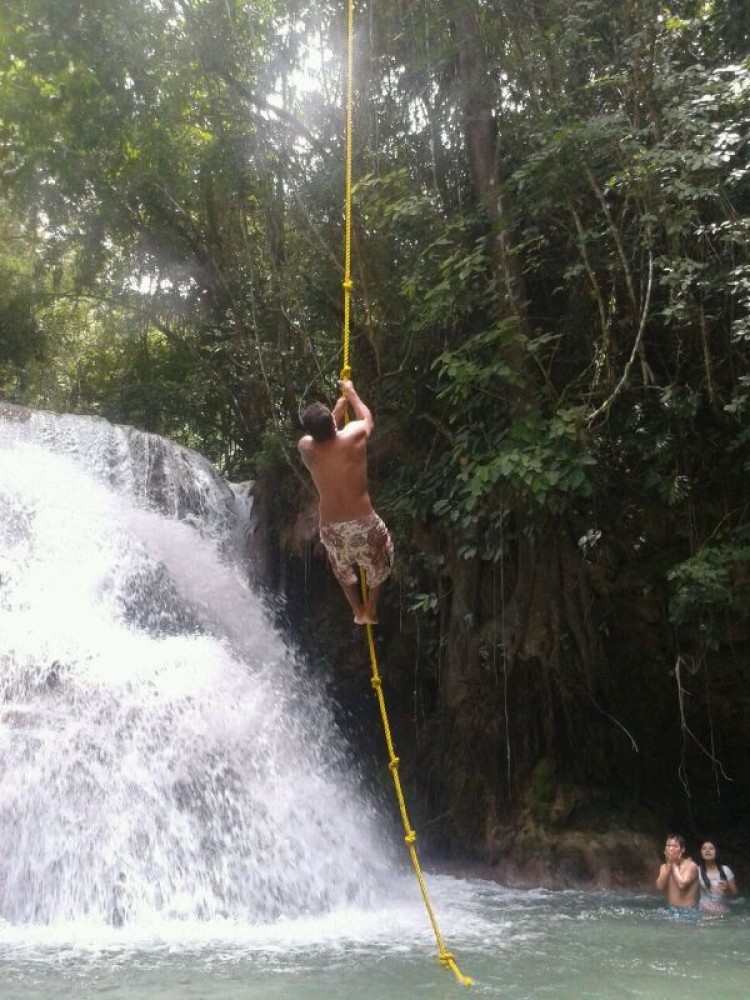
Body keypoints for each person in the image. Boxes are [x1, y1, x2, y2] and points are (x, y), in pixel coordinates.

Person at [298, 379, 394, 625]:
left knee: (341, 567)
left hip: (331, 528)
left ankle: (356, 610)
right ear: (333, 423)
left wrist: (338, 406)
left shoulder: (307, 448)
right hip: (363, 523)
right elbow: (367, 418)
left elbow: (323, 430)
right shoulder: (354, 435)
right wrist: (351, 393)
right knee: (382, 557)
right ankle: (369, 610)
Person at [655, 833, 699, 915]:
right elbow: (659, 887)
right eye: (668, 846)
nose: (670, 849)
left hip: (688, 912)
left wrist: (674, 865)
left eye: (675, 846)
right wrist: (669, 866)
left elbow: (682, 884)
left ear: (682, 850)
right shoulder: (664, 867)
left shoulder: (691, 866)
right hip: (670, 911)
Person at [697, 840, 738, 914]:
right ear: (701, 853)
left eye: (711, 848)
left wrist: (727, 889)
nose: (707, 850)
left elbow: (734, 896)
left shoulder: (726, 870)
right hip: (704, 912)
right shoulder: (696, 871)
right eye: (704, 848)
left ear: (716, 852)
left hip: (723, 911)